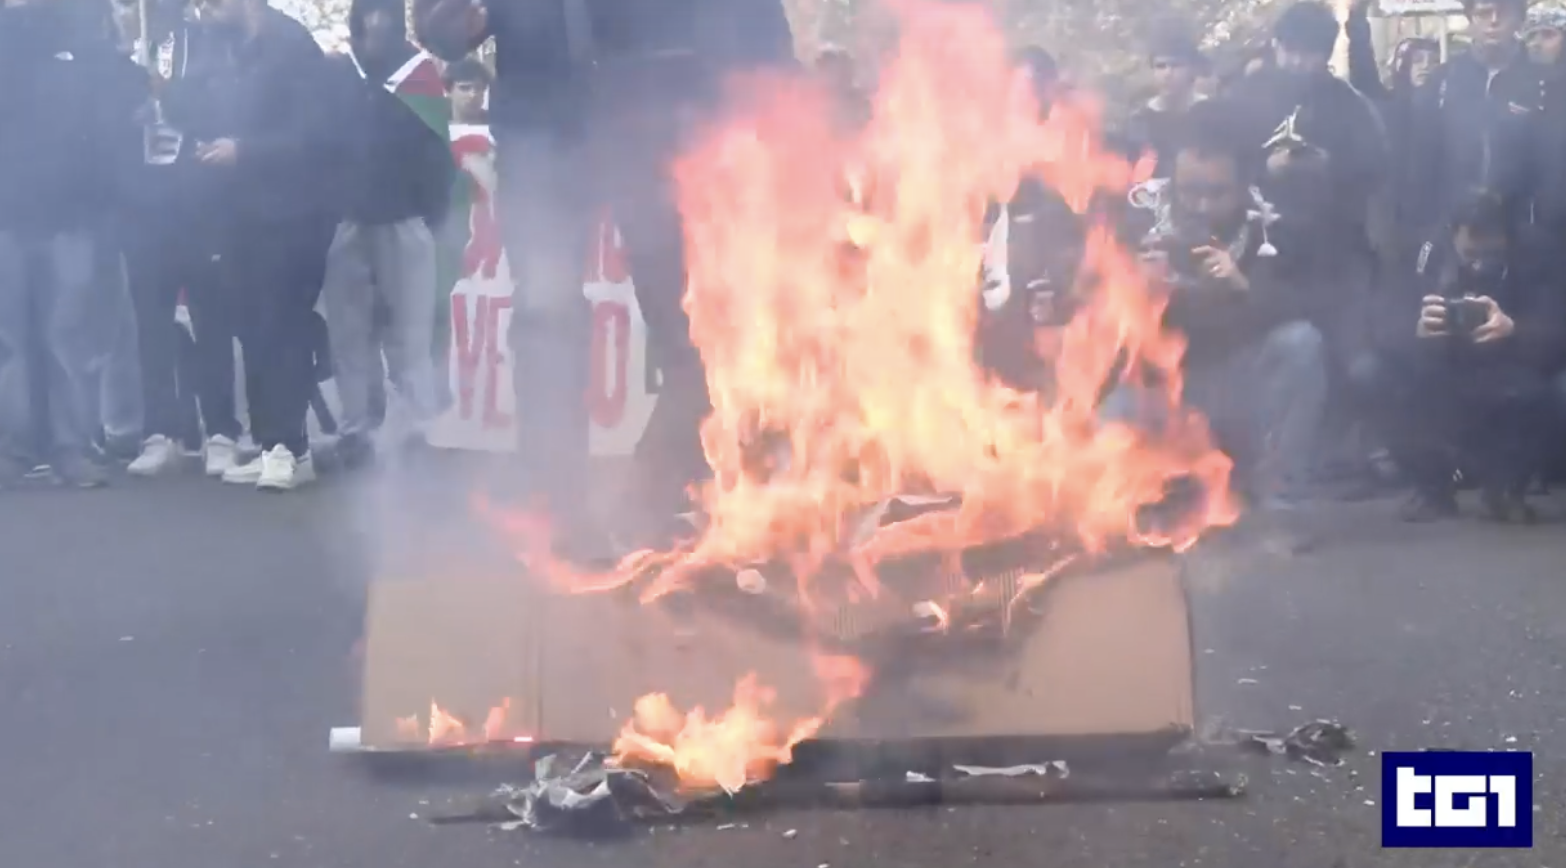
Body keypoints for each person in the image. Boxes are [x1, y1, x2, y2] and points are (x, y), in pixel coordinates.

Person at [413, 0, 797, 558]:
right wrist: (452, 21)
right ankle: (564, 508)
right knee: (549, 319)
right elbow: (440, 24)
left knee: (689, 318)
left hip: (656, 124)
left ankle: (679, 494)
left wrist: (778, 87)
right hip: (544, 131)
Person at [1116, 100, 1328, 511]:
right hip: (1167, 387)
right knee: (1111, 415)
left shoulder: (1273, 226)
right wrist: (1137, 292)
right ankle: (1147, 494)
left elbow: (1309, 304)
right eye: (1189, 191)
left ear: (1245, 183)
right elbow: (1096, 328)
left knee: (1301, 343)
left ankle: (1279, 493)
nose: (1201, 206)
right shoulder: (1138, 217)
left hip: (1243, 388)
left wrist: (1243, 286)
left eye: (1217, 193)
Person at [193, 0, 346, 491]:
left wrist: (245, 150)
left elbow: (316, 135)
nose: (205, 8)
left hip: (294, 213)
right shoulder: (223, 47)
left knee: (283, 327)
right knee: (253, 328)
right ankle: (269, 445)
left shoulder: (292, 44)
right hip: (241, 214)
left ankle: (290, 447)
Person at [1348, 190, 1566, 521]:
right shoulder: (1421, 253)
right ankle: (1431, 488)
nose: (1479, 263)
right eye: (1471, 253)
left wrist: (1514, 328)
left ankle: (1506, 487)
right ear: (1452, 234)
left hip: (1509, 366)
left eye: (1490, 252)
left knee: (1549, 390)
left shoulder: (1536, 253)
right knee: (1370, 373)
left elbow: (1557, 326)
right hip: (1437, 364)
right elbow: (1379, 321)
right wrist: (1416, 330)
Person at [0, 0, 143, 488]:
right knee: (13, 342)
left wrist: (100, 203)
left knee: (63, 338)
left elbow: (108, 120)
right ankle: (17, 449)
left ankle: (69, 447)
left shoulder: (80, 38)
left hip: (69, 214)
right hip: (10, 212)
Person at [322, 0, 454, 467]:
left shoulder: (420, 76)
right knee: (349, 333)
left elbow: (439, 160)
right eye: (367, 17)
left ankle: (415, 430)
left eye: (382, 16)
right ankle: (356, 429)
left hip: (404, 220)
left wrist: (425, 216)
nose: (374, 24)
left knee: (410, 333)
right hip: (348, 220)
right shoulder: (340, 76)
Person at [121, 0, 246, 477]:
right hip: (143, 208)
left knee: (210, 319)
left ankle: (221, 431)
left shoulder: (206, 42)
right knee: (151, 327)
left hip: (198, 205)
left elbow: (217, 109)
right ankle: (161, 431)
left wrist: (166, 94)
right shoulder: (129, 45)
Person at [1404, 0, 1553, 235]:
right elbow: (1421, 162)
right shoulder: (1443, 80)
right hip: (1451, 232)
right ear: (1470, 19)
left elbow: (1554, 168)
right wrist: (1427, 230)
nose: (1493, 21)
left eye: (1503, 12)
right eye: (1484, 13)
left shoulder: (1546, 82)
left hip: (1522, 232)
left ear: (1519, 19)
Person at [1124, 24, 1205, 179]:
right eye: (1161, 66)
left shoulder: (1210, 114)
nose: (1168, 73)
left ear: (1192, 69)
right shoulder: (1140, 119)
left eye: (1176, 65)